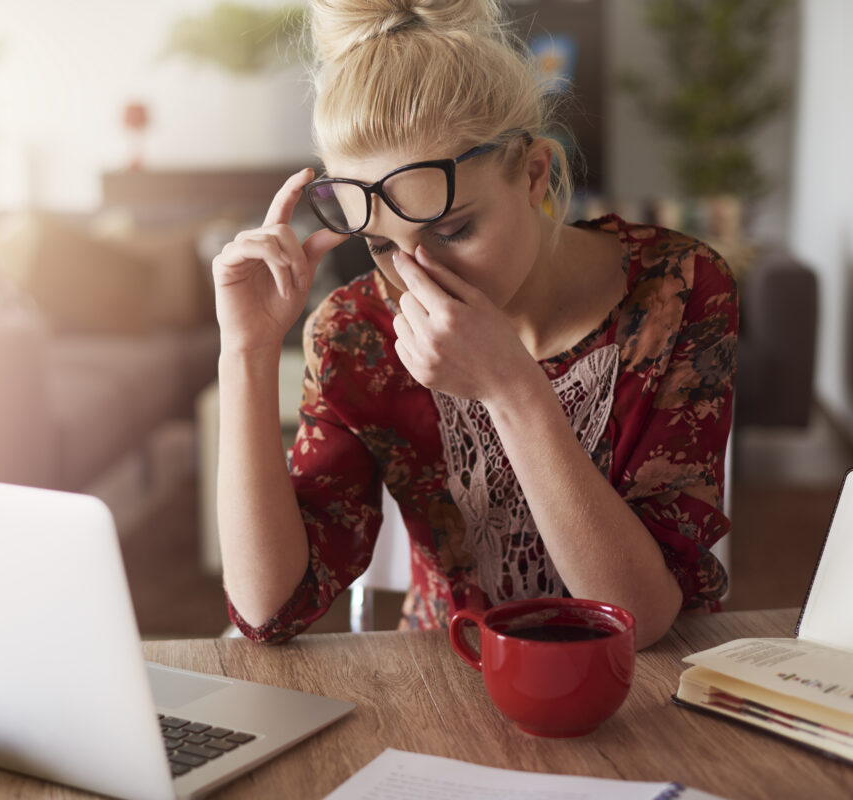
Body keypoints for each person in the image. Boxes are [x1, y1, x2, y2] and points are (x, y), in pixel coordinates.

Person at [211, 0, 737, 650]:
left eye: (454, 229)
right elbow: (269, 611)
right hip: (450, 679)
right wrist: (247, 350)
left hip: (649, 698)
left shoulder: (677, 291)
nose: (419, 276)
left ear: (534, 174)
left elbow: (641, 619)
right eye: (382, 245)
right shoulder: (358, 333)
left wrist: (512, 389)